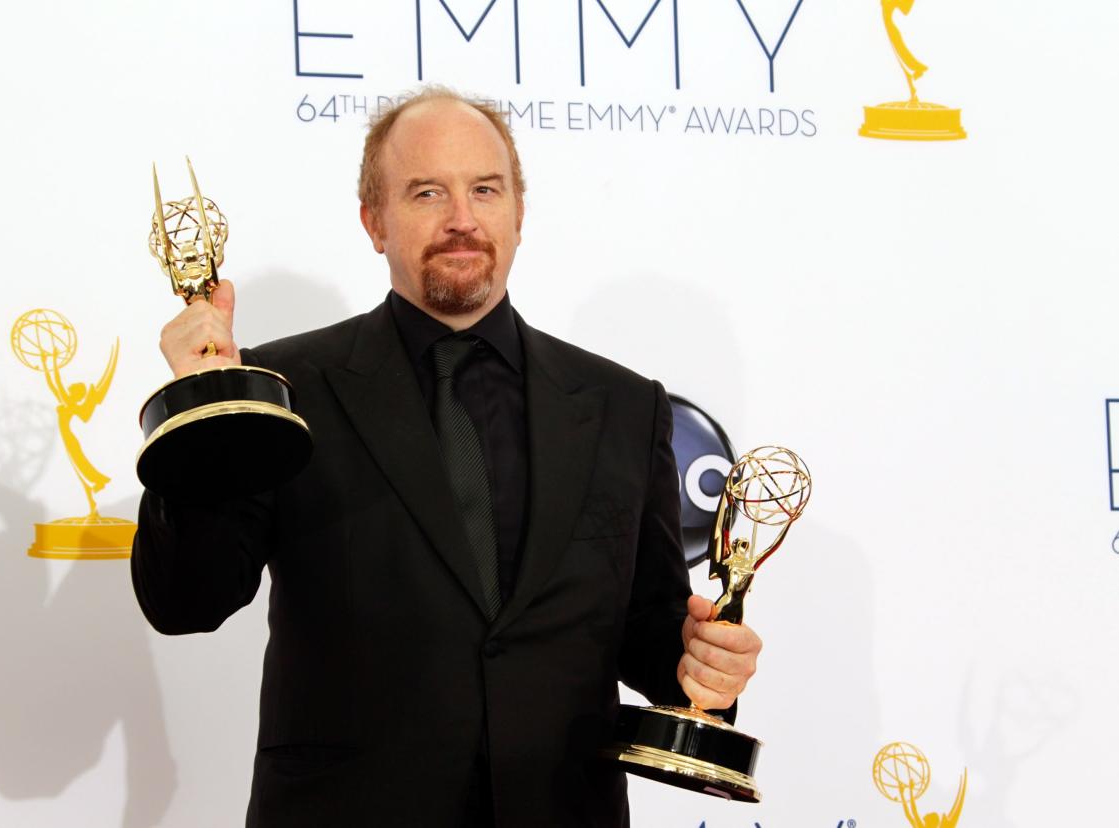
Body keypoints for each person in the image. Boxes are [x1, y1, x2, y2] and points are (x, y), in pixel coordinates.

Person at [132, 87, 762, 827]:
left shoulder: (623, 405)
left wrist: (704, 663)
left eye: (485, 190)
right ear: (374, 221)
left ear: (519, 215)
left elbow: (651, 638)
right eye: (427, 191)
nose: (462, 219)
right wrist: (205, 411)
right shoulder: (281, 390)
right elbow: (185, 603)